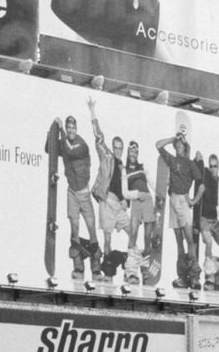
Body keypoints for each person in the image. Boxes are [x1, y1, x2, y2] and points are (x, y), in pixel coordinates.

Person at [54, 114, 99, 278]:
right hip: (72, 191)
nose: (70, 130)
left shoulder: (81, 144)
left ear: (76, 129)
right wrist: (51, 132)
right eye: (68, 128)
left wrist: (60, 131)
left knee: (91, 228)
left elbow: (70, 152)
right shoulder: (64, 142)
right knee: (74, 226)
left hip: (84, 193)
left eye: (73, 127)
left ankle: (96, 263)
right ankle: (78, 264)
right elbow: (49, 149)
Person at [88, 97, 131, 266]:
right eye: (116, 147)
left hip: (118, 206)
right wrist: (92, 111)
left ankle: (129, 262)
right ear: (113, 148)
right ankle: (108, 264)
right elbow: (99, 136)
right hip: (107, 201)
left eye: (121, 148)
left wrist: (126, 202)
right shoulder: (107, 157)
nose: (118, 150)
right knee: (107, 238)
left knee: (131, 232)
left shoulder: (124, 168)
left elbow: (125, 191)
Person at [156, 130, 199, 288]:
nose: (179, 147)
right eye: (177, 145)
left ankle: (194, 276)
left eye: (181, 144)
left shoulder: (190, 163)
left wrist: (193, 199)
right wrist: (173, 138)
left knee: (190, 241)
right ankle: (182, 276)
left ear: (185, 147)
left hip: (183, 200)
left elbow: (200, 183)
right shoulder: (172, 159)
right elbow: (158, 145)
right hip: (173, 199)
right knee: (179, 243)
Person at [192, 150, 219, 289]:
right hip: (204, 220)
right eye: (211, 166)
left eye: (215, 166)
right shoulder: (206, 174)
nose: (213, 169)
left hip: (216, 222)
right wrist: (198, 157)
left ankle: (218, 270)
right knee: (208, 243)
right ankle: (208, 276)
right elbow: (197, 167)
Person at [124, 141, 152, 252]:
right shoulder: (124, 170)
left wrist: (161, 189)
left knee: (147, 235)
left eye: (136, 152)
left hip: (147, 198)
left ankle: (146, 260)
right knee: (133, 232)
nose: (133, 154)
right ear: (128, 152)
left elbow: (151, 182)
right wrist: (136, 194)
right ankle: (131, 258)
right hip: (136, 199)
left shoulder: (142, 167)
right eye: (131, 151)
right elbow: (124, 192)